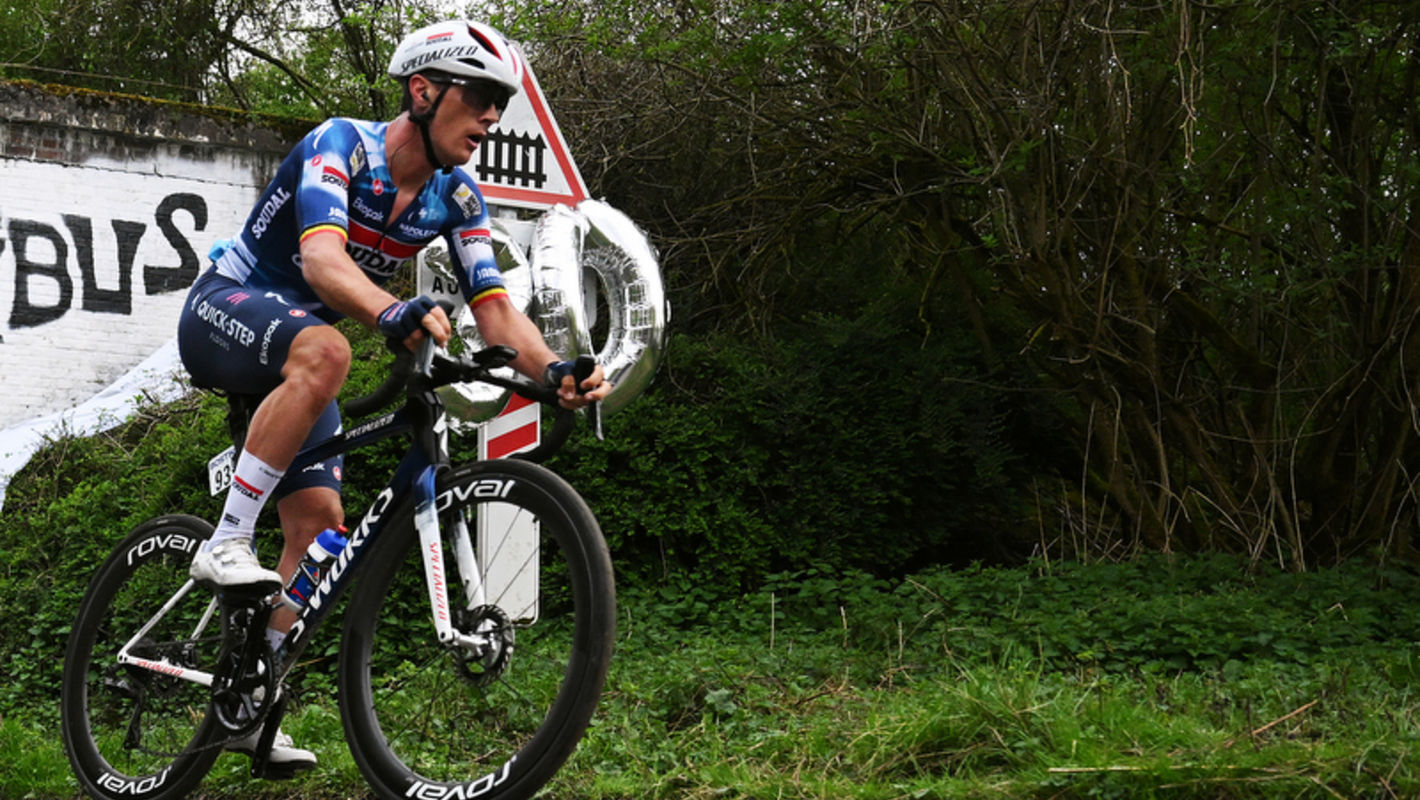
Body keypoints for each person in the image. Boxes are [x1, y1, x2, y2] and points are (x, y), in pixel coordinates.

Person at [175, 19, 609, 775]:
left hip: (304, 358)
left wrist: (554, 374)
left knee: (317, 526)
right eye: (479, 98)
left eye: (499, 104)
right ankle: (224, 543)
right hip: (227, 309)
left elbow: (498, 309)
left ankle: (245, 701)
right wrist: (391, 310)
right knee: (329, 345)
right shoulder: (340, 145)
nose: (490, 118)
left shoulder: (456, 196)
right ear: (423, 90)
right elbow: (319, 260)